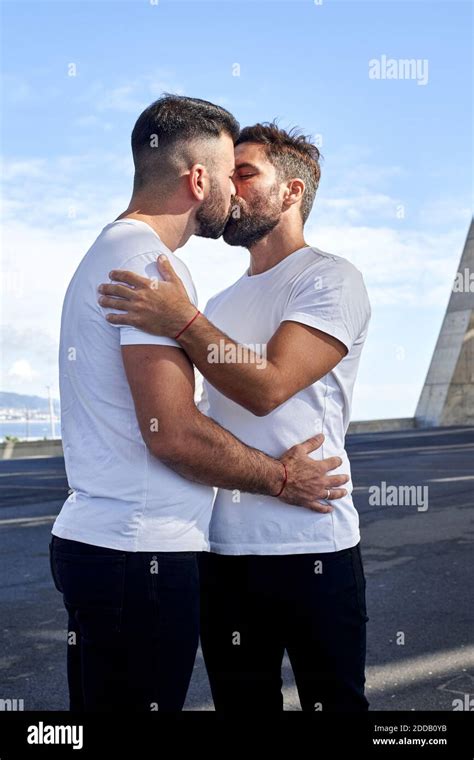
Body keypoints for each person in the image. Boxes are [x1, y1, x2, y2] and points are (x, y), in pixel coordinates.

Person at [50, 96, 349, 713]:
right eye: (227, 173)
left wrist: (184, 320)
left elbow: (258, 389)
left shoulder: (134, 260)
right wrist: (281, 477)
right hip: (143, 550)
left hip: (144, 547)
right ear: (197, 180)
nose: (233, 192)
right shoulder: (148, 265)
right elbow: (175, 433)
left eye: (250, 173)